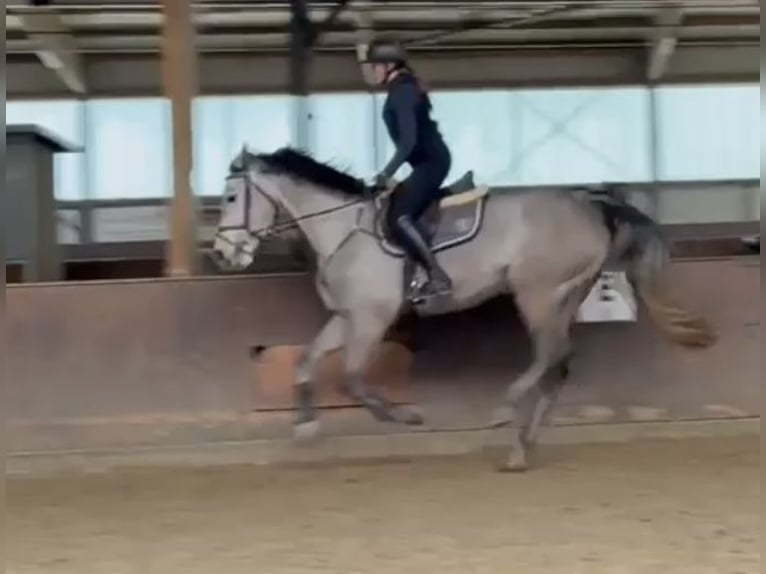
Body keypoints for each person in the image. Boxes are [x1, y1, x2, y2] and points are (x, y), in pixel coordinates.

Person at [361, 38, 453, 301]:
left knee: (399, 218)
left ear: (390, 65)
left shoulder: (402, 92)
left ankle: (437, 276)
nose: (373, 71)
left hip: (431, 163)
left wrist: (386, 174)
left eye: (376, 66)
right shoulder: (400, 89)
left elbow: (409, 142)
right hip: (426, 162)